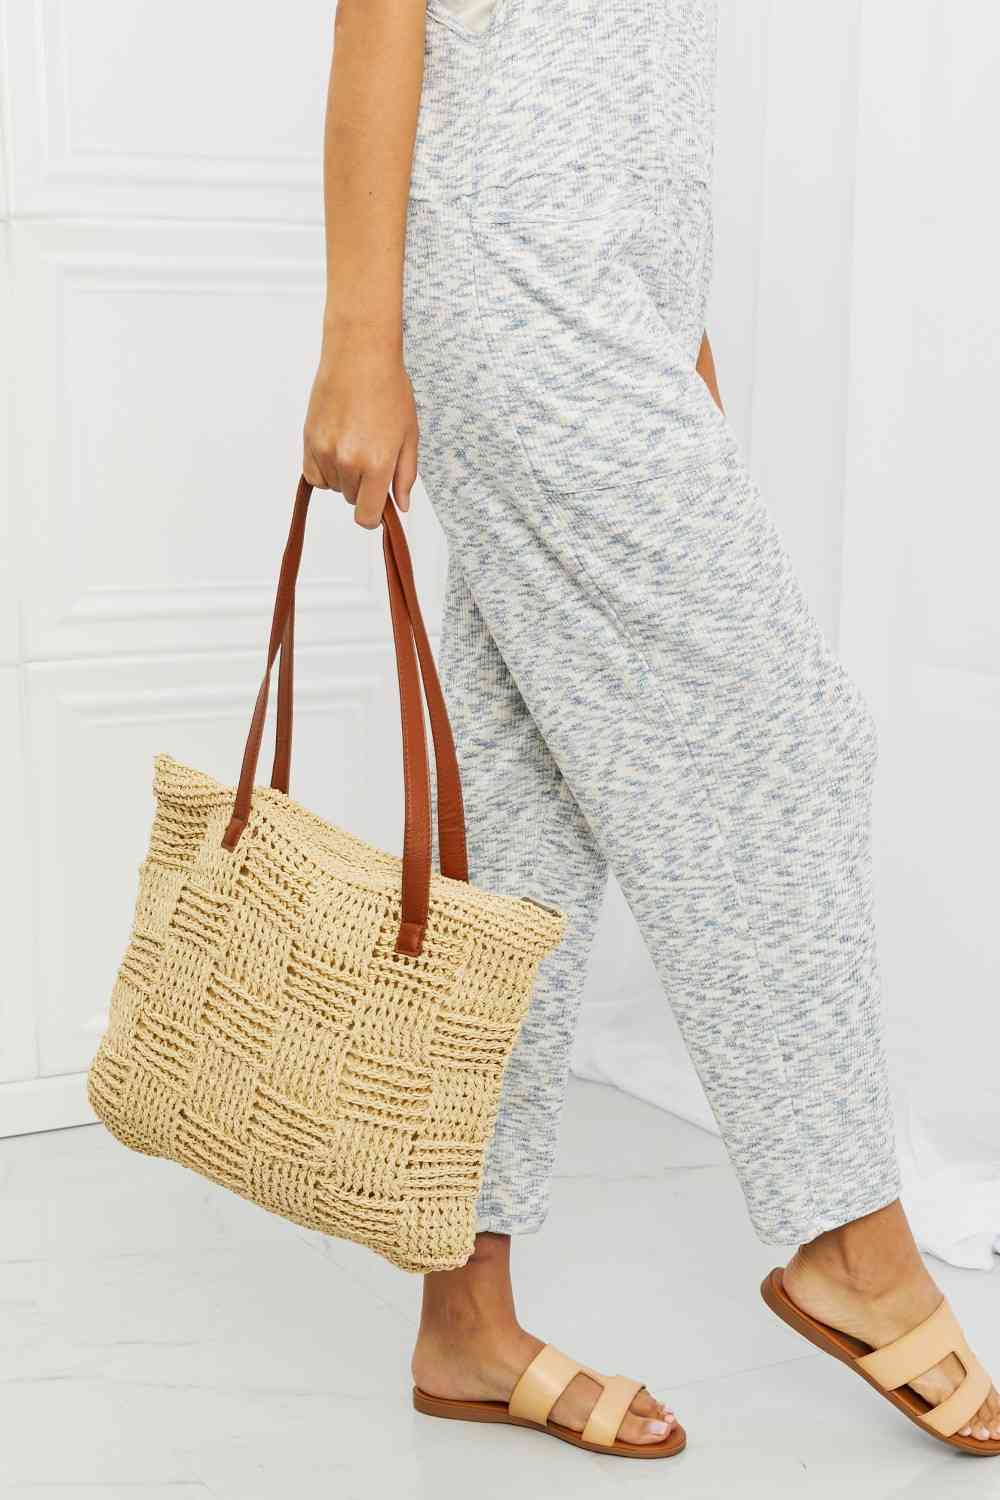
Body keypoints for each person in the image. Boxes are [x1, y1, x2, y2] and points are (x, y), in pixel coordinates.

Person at [302, 0, 999, 1461]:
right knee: (781, 740)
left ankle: (463, 1314)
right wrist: (360, 337)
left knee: (524, 813)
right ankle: (852, 1240)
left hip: (609, 303)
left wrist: (675, 334)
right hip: (519, 282)